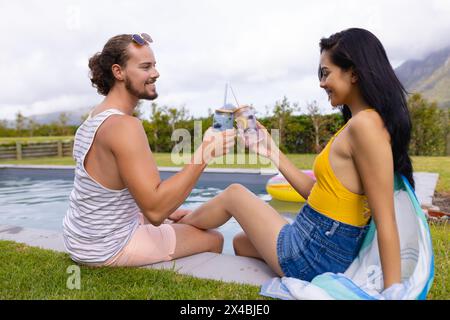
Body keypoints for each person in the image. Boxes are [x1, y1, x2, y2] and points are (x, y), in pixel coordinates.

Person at [178, 28, 414, 291]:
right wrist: (270, 150)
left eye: (326, 73)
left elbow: (385, 219)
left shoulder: (365, 126)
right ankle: (185, 219)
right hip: (317, 239)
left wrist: (394, 293)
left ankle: (174, 227)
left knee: (235, 194)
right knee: (242, 242)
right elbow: (318, 194)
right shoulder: (357, 124)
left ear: (354, 73)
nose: (321, 83)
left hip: (316, 253)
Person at [62, 33, 236, 267]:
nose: (155, 73)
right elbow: (155, 211)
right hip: (108, 248)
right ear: (118, 72)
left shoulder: (93, 120)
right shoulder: (124, 126)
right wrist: (205, 152)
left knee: (177, 221)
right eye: (146, 66)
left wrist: (167, 213)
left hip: (80, 241)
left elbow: (109, 196)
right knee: (213, 237)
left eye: (154, 65)